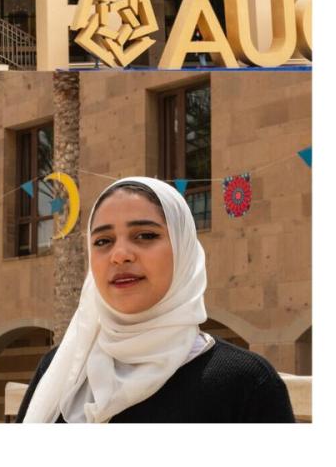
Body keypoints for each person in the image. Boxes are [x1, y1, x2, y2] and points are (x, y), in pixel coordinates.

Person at [16, 177, 295, 423]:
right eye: (103, 241)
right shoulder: (63, 367)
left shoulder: (244, 383)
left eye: (145, 235)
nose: (120, 254)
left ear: (183, 249)